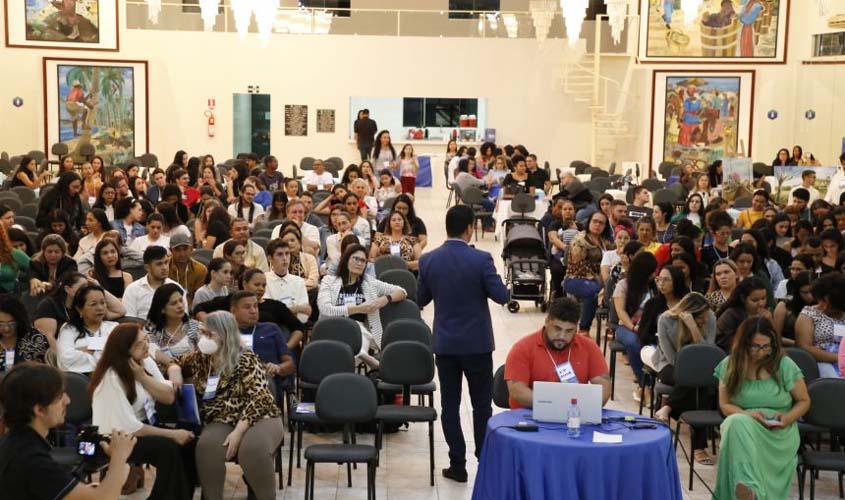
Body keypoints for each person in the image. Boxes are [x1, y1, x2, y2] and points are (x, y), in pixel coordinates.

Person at [417, 205, 510, 483]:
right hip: (477, 344)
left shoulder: (429, 260)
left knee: (450, 405)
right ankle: (484, 459)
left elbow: (421, 299)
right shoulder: (481, 259)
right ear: (470, 228)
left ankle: (457, 464)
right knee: (482, 406)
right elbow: (501, 296)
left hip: (446, 345)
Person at [166, 311, 284, 500]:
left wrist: (238, 433)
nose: (204, 338)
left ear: (225, 334)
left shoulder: (247, 358)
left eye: (209, 334)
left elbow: (260, 399)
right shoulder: (201, 357)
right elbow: (175, 361)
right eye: (202, 333)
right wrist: (174, 370)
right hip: (223, 417)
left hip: (260, 416)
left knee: (252, 450)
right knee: (206, 447)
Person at [0, 362, 137, 499]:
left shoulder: (14, 442)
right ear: (39, 410)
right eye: (59, 396)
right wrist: (119, 458)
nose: (68, 400)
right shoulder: (34, 460)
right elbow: (103, 498)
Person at [89, 324, 195, 499]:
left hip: (140, 427)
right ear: (124, 349)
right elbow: (130, 428)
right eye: (139, 344)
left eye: (146, 339)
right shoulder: (111, 378)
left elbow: (168, 397)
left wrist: (143, 377)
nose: (146, 345)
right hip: (114, 436)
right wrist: (173, 434)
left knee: (189, 443)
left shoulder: (144, 362)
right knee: (167, 447)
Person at [713, 316, 809, 500]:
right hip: (744, 424)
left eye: (766, 346)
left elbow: (804, 401)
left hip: (778, 431)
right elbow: (724, 405)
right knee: (736, 423)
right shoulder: (730, 364)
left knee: (735, 425)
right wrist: (747, 414)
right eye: (755, 346)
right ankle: (748, 488)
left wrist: (788, 418)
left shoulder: (784, 364)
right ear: (743, 343)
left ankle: (748, 490)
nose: (761, 352)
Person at [644, 292, 717, 464]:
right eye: (700, 318)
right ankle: (699, 447)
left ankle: (667, 407)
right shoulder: (665, 320)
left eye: (706, 315)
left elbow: (707, 353)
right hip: (668, 364)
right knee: (697, 383)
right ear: (688, 314)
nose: (705, 320)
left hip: (700, 366)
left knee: (700, 383)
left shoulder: (710, 317)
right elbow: (671, 358)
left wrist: (694, 329)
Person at [506, 295, 611, 409]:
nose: (562, 336)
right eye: (557, 329)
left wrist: (588, 406)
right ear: (547, 322)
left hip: (573, 413)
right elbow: (517, 391)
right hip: (529, 413)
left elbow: (603, 384)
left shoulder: (589, 347)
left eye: (569, 331)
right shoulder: (523, 348)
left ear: (576, 328)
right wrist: (555, 405)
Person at [318, 244, 406, 368]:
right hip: (333, 325)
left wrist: (385, 299)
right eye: (356, 259)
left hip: (358, 329)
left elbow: (402, 291)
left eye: (363, 261)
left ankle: (359, 354)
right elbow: (325, 309)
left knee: (356, 334)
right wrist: (359, 308)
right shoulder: (329, 281)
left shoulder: (370, 283)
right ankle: (361, 355)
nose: (359, 263)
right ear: (346, 260)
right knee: (342, 343)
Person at [229, 290, 295, 398]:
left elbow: (290, 365)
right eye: (247, 307)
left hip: (266, 386)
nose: (253, 311)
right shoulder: (226, 333)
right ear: (233, 311)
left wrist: (277, 368)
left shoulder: (271, 329)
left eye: (255, 306)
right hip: (234, 387)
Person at [612, 252, 658, 394]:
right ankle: (644, 385)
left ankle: (656, 384)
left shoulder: (655, 286)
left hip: (649, 326)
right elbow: (621, 312)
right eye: (652, 271)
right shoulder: (623, 285)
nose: (655, 274)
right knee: (634, 343)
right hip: (626, 326)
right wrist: (633, 328)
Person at [563, 211, 608, 335]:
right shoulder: (579, 240)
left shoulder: (604, 242)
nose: (597, 225)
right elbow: (579, 266)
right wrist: (601, 275)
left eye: (601, 223)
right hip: (575, 278)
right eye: (595, 221)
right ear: (589, 222)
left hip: (598, 279)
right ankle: (584, 329)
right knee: (593, 292)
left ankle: (612, 326)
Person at [57, 284, 119, 373]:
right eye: (93, 304)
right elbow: (65, 358)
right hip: (80, 379)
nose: (100, 308)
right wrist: (104, 349)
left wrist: (87, 349)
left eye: (102, 303)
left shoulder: (114, 327)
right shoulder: (69, 329)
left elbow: (122, 356)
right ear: (79, 309)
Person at [795, 272, 845, 378]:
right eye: (822, 300)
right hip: (821, 363)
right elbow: (805, 348)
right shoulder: (809, 314)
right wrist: (839, 357)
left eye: (829, 303)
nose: (824, 305)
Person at [123, 246, 188, 319]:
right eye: (159, 264)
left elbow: (184, 319)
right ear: (147, 267)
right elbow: (130, 320)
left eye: (166, 262)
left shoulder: (177, 287)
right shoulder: (132, 290)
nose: (164, 267)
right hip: (141, 325)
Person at [146, 283, 202, 365]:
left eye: (181, 300)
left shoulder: (195, 327)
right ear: (162, 309)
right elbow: (151, 350)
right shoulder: (153, 330)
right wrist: (171, 364)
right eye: (173, 303)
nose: (180, 306)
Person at [263, 239, 311, 324]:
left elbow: (303, 317)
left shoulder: (298, 281)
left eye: (287, 253)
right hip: (272, 327)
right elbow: (269, 315)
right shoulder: (263, 279)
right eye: (280, 254)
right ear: (270, 258)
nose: (285, 258)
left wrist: (280, 311)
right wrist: (296, 308)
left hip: (295, 327)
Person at [716, 277, 770, 352]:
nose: (761, 304)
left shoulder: (767, 314)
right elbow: (725, 344)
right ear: (743, 298)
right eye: (755, 300)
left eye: (763, 299)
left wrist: (769, 321)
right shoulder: (730, 315)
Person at [0, 295, 50, 371]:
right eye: (1, 324)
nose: (7, 329)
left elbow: (44, 371)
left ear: (19, 320)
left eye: (12, 323)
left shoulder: (35, 338)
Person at [168, 233, 207, 306]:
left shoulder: (201, 269)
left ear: (191, 249)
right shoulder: (164, 268)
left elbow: (199, 298)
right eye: (177, 250)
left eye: (185, 249)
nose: (182, 254)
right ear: (170, 250)